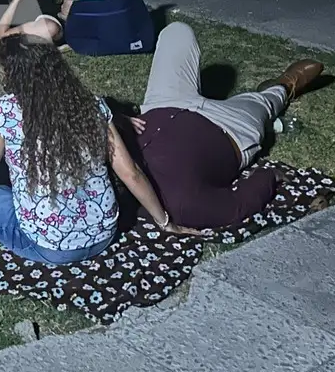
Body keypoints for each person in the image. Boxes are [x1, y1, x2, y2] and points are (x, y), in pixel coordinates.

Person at [0, 38, 194, 263]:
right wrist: (165, 222)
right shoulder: (90, 106)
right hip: (103, 234)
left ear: (13, 74)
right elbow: (131, 174)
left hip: (48, 246)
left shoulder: (6, 111)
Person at [127, 22, 323, 229]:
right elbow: (236, 206)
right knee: (263, 104)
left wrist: (121, 119)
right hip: (228, 127)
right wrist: (269, 176)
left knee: (177, 32)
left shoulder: (103, 158)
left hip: (164, 104)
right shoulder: (182, 207)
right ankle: (283, 87)